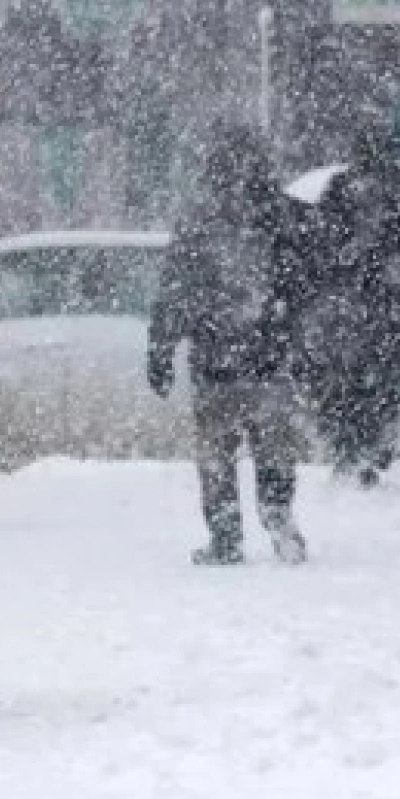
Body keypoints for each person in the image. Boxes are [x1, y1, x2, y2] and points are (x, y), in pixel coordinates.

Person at [147, 124, 308, 566]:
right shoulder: (280, 216)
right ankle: (277, 516)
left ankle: (225, 534)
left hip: (215, 360)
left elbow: (174, 292)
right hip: (269, 360)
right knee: (273, 450)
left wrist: (161, 348)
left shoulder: (199, 220)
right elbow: (302, 287)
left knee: (217, 456)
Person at [292, 124, 400, 487]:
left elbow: (316, 246)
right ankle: (367, 447)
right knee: (377, 387)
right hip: (385, 312)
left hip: (352, 312)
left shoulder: (343, 192)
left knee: (348, 388)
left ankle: (353, 451)